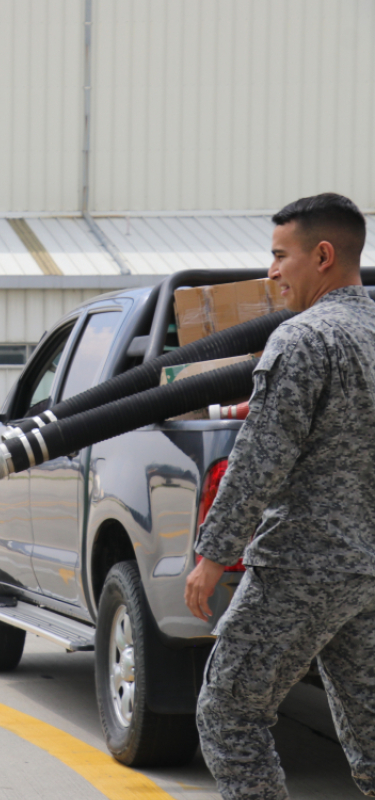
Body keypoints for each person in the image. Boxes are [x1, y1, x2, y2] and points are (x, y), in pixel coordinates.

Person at [185, 193, 375, 799]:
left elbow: (260, 459)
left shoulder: (303, 339)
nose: (270, 272)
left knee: (229, 714)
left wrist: (213, 555)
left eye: (278, 255)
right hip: (365, 570)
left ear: (322, 255)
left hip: (302, 564)